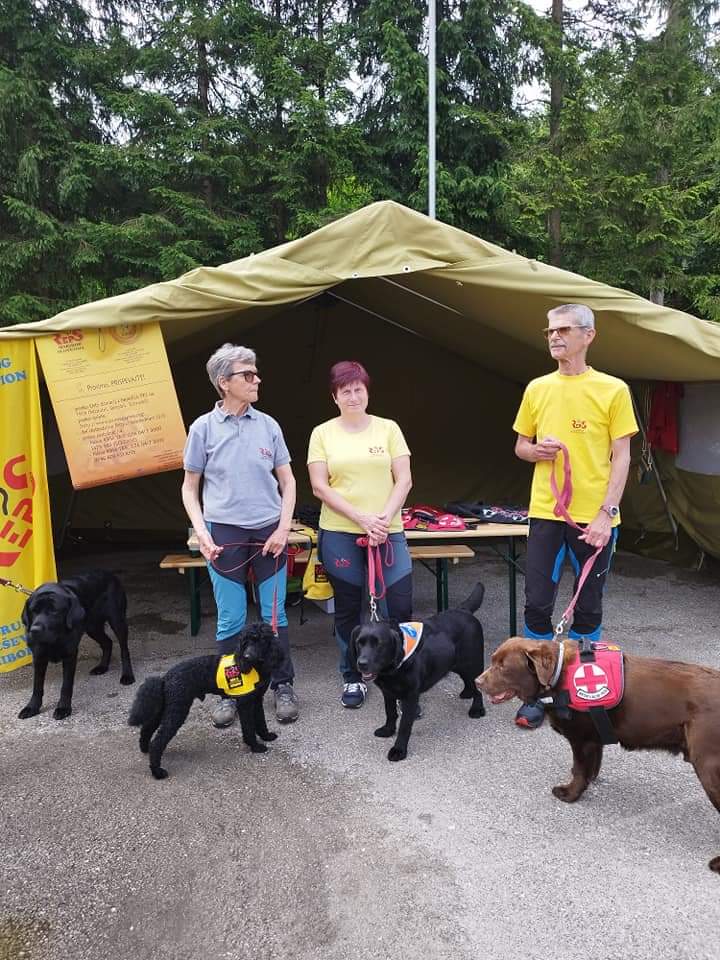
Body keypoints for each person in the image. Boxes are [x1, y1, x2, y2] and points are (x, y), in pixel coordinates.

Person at [513, 304, 638, 729]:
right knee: (537, 604)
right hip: (546, 514)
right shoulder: (537, 388)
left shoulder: (613, 389)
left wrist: (606, 513)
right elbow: (520, 446)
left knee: (588, 607)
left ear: (589, 335)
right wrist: (536, 450)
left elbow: (622, 457)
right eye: (550, 330)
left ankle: (585, 689)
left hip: (594, 520)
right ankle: (535, 693)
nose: (554, 336)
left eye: (564, 329)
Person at [181, 343, 299, 726]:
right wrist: (202, 533)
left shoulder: (269, 425)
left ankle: (282, 685)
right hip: (223, 534)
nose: (257, 379)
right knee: (230, 619)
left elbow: (288, 481)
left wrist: (283, 528)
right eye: (248, 374)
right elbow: (189, 487)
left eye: (256, 372)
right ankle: (231, 690)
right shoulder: (202, 428)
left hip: (269, 531)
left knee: (274, 615)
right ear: (224, 382)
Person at [308, 361, 413, 708]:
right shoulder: (322, 433)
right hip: (341, 531)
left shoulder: (388, 429)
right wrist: (361, 518)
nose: (353, 396)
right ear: (334, 397)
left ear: (367, 392)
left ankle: (402, 677)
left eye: (358, 389)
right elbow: (320, 486)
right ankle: (352, 675)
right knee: (348, 608)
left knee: (399, 606)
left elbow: (404, 479)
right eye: (345, 391)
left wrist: (382, 518)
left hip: (387, 530)